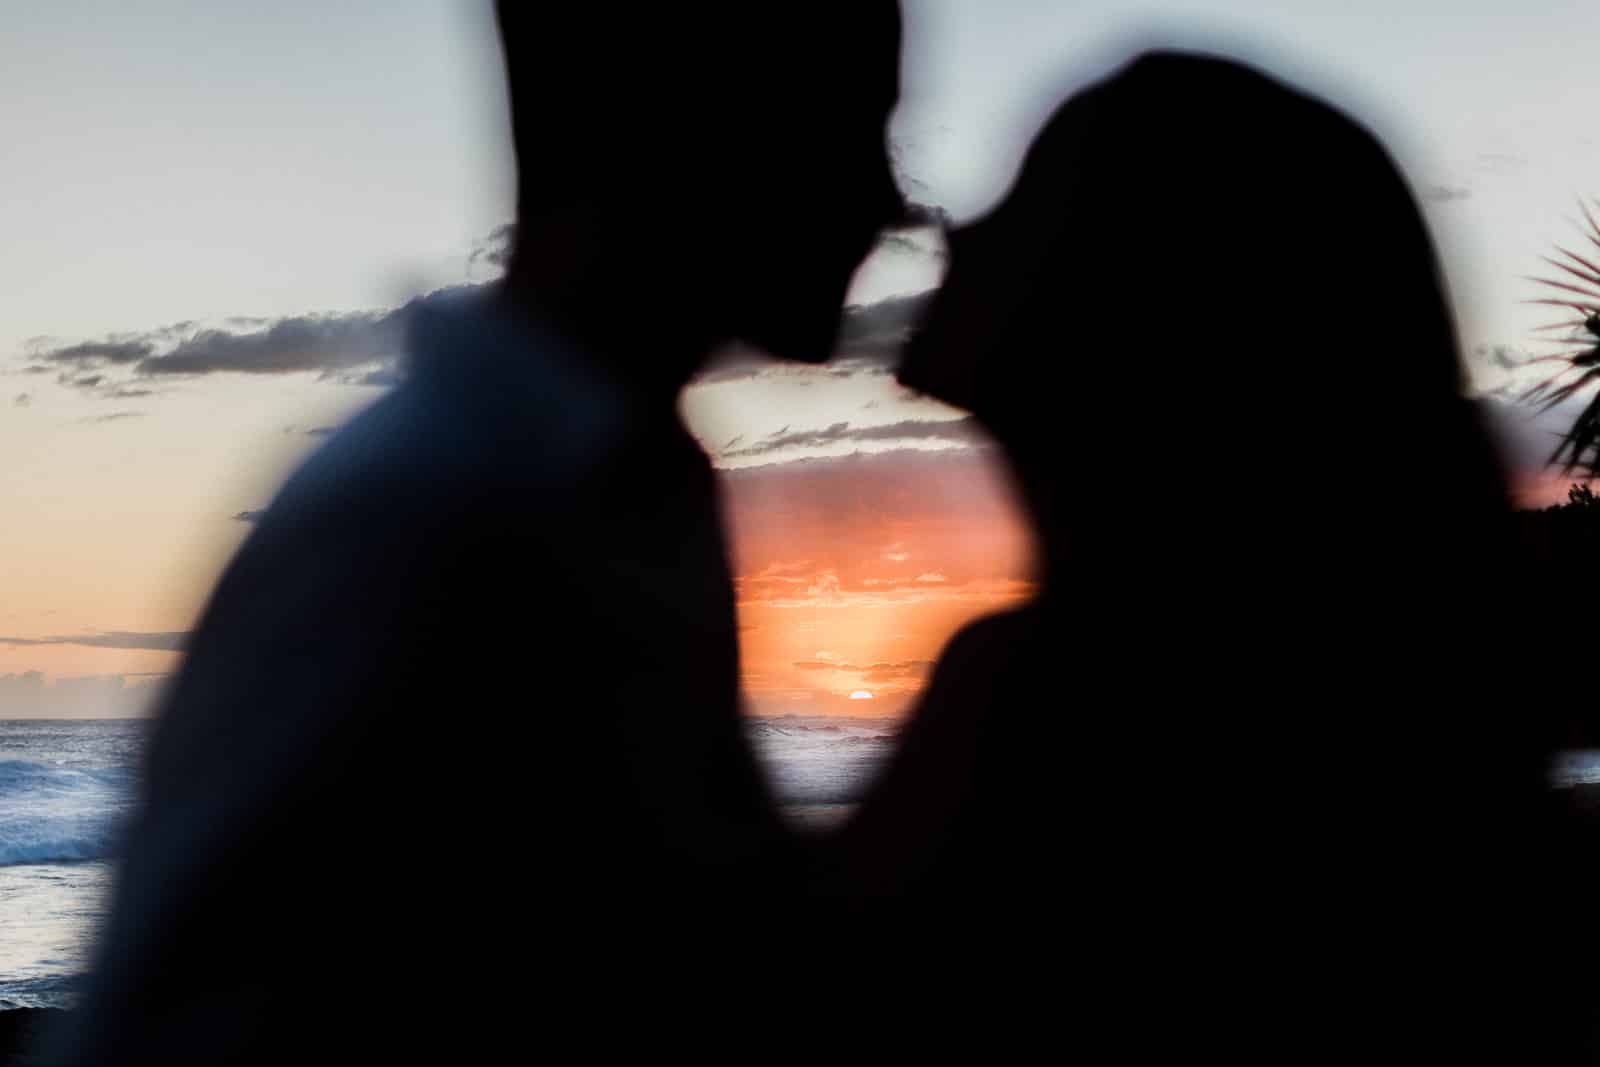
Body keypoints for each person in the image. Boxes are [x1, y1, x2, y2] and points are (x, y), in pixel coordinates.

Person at [45, 4, 905, 1062]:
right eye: (851, 130)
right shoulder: (421, 515)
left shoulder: (625, 490)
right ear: (683, 133)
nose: (888, 198)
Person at [827, 51, 1588, 1058]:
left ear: (1135, 311)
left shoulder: (1048, 708)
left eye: (1030, 188)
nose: (949, 223)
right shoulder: (1370, 735)